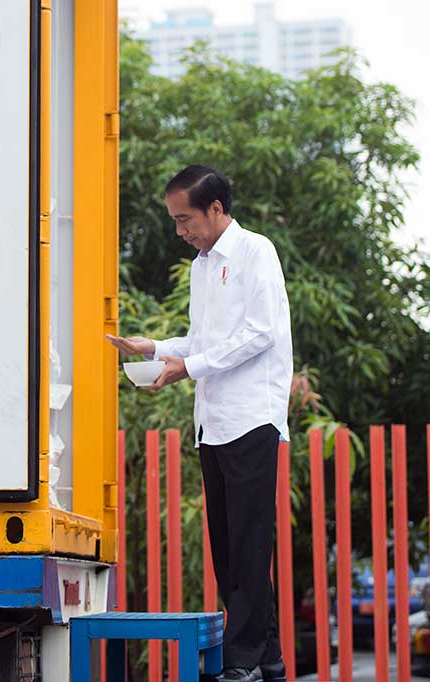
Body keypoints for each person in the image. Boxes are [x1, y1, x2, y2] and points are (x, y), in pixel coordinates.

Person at [106, 165, 293, 682]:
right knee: (228, 547)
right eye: (174, 220)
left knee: (249, 543)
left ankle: (242, 660)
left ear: (216, 209)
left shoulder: (257, 252)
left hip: (252, 416)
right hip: (212, 421)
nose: (180, 231)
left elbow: (261, 334)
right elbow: (202, 341)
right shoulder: (201, 267)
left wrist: (189, 366)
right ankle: (269, 657)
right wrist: (158, 349)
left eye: (184, 218)